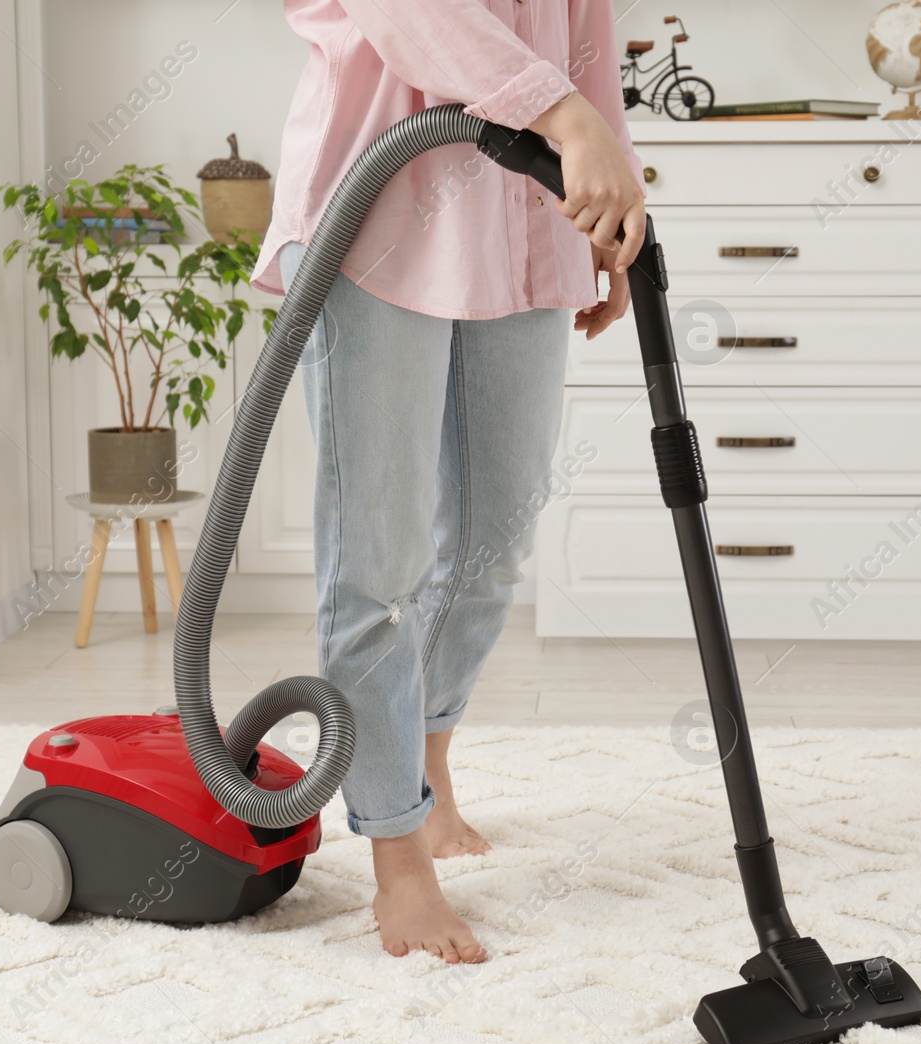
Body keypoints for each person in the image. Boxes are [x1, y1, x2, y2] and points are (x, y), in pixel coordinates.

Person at [252, 0, 646, 965]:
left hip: (522, 211)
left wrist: (610, 197)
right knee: (378, 562)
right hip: (376, 207)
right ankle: (396, 852)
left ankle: (428, 765)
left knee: (494, 533)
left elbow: (581, 29)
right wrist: (567, 120)